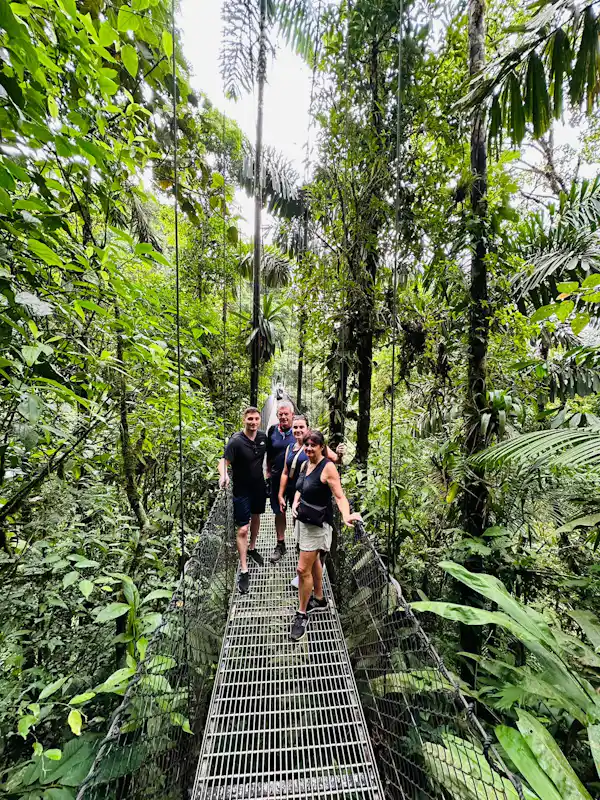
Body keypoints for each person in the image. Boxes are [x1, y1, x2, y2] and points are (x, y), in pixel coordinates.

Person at [289, 430, 361, 642]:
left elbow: (339, 495)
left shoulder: (327, 467)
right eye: (307, 445)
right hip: (304, 520)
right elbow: (301, 487)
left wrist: (346, 515)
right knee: (312, 563)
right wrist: (295, 502)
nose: (309, 448)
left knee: (302, 569)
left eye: (313, 445)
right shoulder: (305, 464)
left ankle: (302, 614)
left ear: (322, 447)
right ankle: (319, 599)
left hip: (318, 526)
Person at [278, 414, 346, 588]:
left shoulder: (316, 444)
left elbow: (335, 463)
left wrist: (339, 455)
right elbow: (286, 472)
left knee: (316, 548)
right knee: (302, 539)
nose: (298, 430)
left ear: (307, 428)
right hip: (299, 498)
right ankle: (310, 578)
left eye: (301, 427)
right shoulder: (291, 448)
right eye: (295, 427)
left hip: (317, 507)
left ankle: (309, 579)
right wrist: (283, 495)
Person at [218, 407, 267, 595]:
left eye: (256, 419)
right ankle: (244, 570)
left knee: (256, 516)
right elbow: (223, 461)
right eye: (250, 419)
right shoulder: (236, 441)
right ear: (243, 420)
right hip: (241, 490)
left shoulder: (263, 438)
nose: (253, 422)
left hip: (259, 487)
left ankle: (252, 547)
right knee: (242, 529)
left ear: (260, 420)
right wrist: (224, 475)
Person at [266, 400, 296, 563]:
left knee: (298, 511)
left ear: (292, 415)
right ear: (277, 415)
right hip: (277, 478)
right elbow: (269, 453)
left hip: (296, 479)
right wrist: (268, 472)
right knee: (279, 511)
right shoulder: (272, 431)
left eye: (286, 414)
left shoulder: (299, 430)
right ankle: (281, 543)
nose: (283, 417)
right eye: (280, 414)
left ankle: (300, 543)